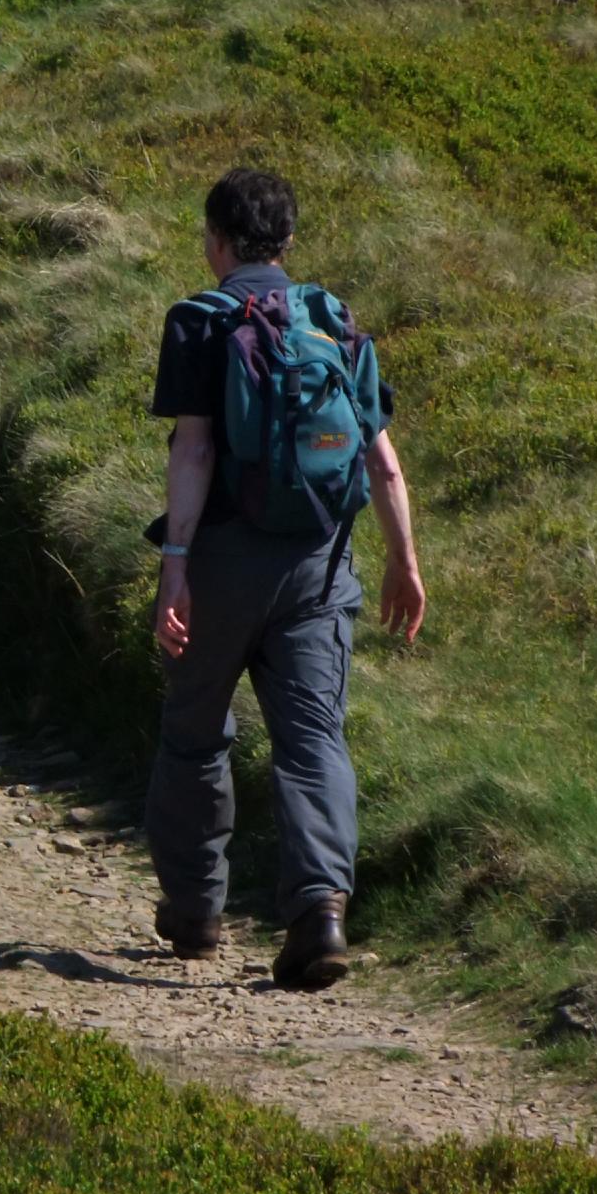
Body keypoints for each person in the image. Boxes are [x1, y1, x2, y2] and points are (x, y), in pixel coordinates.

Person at [146, 168, 428, 991]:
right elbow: (381, 460)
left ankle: (197, 912)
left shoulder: (200, 321)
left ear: (217, 241)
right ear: (289, 242)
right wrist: (403, 561)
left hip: (225, 562)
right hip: (320, 564)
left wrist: (175, 571)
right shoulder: (331, 318)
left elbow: (194, 451)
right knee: (312, 740)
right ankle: (321, 914)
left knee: (195, 729)